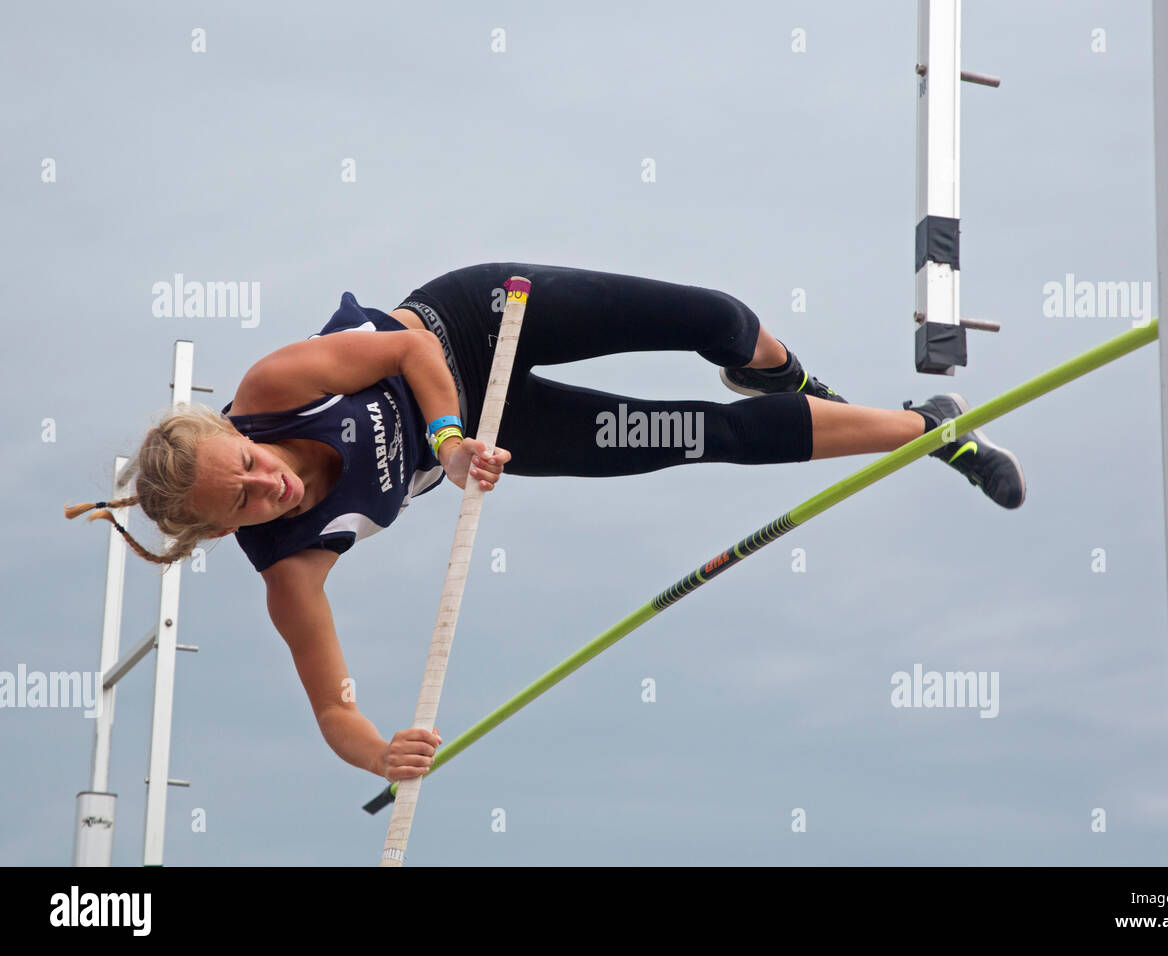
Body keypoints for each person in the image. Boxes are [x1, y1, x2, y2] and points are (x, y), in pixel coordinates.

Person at [65, 262, 1025, 783]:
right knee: (701, 436)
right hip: (505, 429)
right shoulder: (289, 569)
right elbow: (333, 710)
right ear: (222, 532)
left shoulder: (274, 389)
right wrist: (381, 749)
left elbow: (403, 352)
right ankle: (926, 431)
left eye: (246, 466)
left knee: (716, 319)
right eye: (238, 505)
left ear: (232, 432)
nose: (263, 488)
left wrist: (444, 440)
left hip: (471, 326)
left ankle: (778, 367)